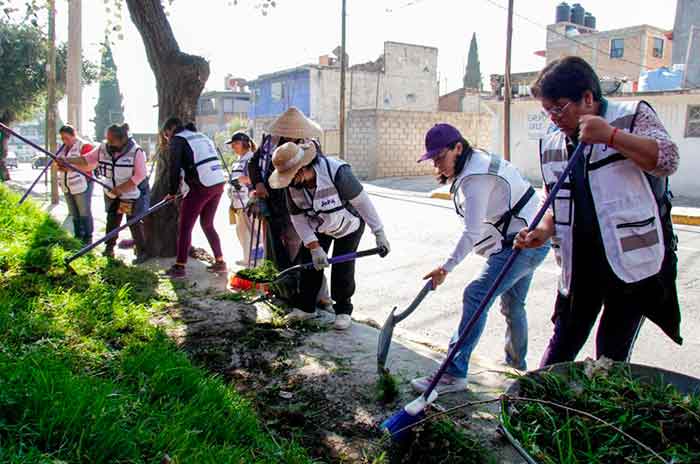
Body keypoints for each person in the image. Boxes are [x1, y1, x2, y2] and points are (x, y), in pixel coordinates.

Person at [516, 56, 682, 366]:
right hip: (580, 267)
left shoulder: (632, 117)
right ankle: (541, 407)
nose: (553, 118)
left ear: (588, 98)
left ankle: (594, 412)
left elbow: (668, 160)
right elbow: (552, 197)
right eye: (546, 110)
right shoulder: (553, 142)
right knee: (559, 349)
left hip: (630, 266)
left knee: (610, 358)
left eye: (559, 107)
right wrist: (542, 230)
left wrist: (611, 136)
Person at [410, 124, 550, 394]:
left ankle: (453, 372)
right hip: (529, 238)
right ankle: (515, 369)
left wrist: (446, 267)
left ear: (458, 148)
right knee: (513, 304)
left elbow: (472, 232)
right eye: (434, 160)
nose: (438, 166)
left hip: (523, 244)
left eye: (441, 157)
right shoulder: (477, 162)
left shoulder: (476, 176)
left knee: (475, 295)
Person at [267, 141, 391, 331]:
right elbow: (298, 219)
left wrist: (379, 233)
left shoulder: (337, 173)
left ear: (302, 168)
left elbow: (362, 203)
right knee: (309, 264)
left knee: (343, 266)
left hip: (349, 224)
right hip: (319, 225)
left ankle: (343, 310)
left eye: (290, 175)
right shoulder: (292, 186)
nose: (289, 181)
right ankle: (306, 308)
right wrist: (314, 247)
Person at [64, 123, 150, 263]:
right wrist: (67, 161)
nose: (108, 143)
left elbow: (139, 176)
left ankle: (141, 252)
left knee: (132, 222)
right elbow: (86, 159)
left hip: (129, 195)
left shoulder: (136, 152)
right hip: (111, 193)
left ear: (122, 140)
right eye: (107, 139)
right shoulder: (103, 148)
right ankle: (109, 248)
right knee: (112, 220)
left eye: (112, 140)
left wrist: (121, 189)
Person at [162, 118, 227, 279]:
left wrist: (171, 191)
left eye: (166, 135)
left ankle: (179, 266)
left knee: (185, 227)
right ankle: (220, 262)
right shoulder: (200, 136)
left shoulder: (178, 139)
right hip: (218, 182)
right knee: (207, 224)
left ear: (170, 130)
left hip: (201, 186)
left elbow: (174, 167)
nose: (167, 139)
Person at [56, 125, 95, 244]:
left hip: (82, 184)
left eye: (67, 138)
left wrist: (71, 168)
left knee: (84, 212)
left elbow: (90, 165)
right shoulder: (63, 148)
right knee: (74, 212)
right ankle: (78, 236)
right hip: (67, 185)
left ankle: (88, 237)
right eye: (62, 138)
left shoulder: (85, 146)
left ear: (74, 135)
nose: (64, 141)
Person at [225, 131, 259, 266]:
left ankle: (254, 259)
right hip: (237, 202)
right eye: (232, 144)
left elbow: (254, 178)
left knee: (252, 232)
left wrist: (239, 180)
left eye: (235, 143)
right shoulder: (237, 161)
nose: (233, 147)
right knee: (241, 232)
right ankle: (247, 258)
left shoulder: (251, 159)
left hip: (248, 201)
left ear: (244, 144)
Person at [0, 117, 9, 182]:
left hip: (2, 152)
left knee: (2, 164)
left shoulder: (3, 134)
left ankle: (4, 177)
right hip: (3, 151)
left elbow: (4, 144)